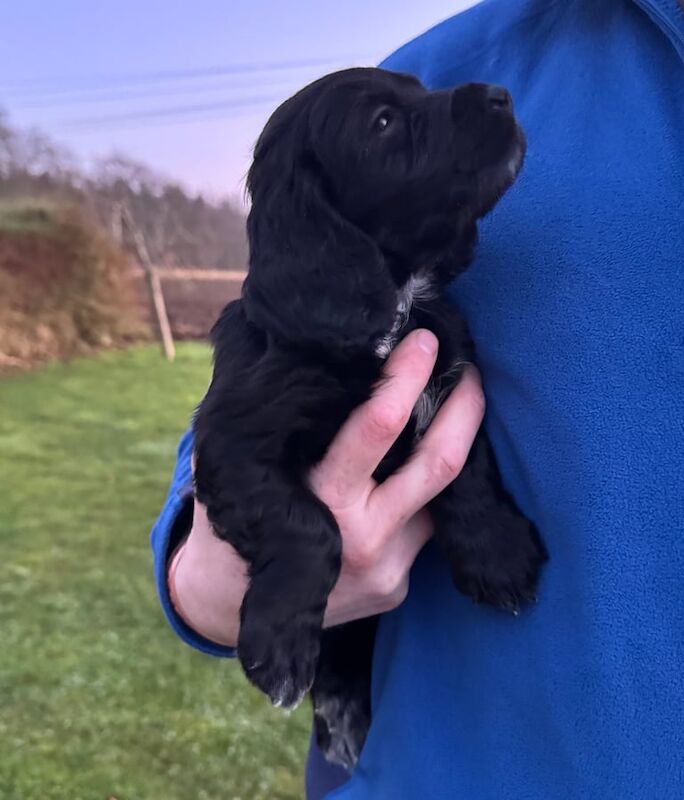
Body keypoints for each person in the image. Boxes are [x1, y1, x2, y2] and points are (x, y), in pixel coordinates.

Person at [151, 0, 684, 797]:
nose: (485, 100)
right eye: (388, 123)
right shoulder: (458, 55)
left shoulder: (422, 302)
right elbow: (222, 450)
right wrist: (222, 580)